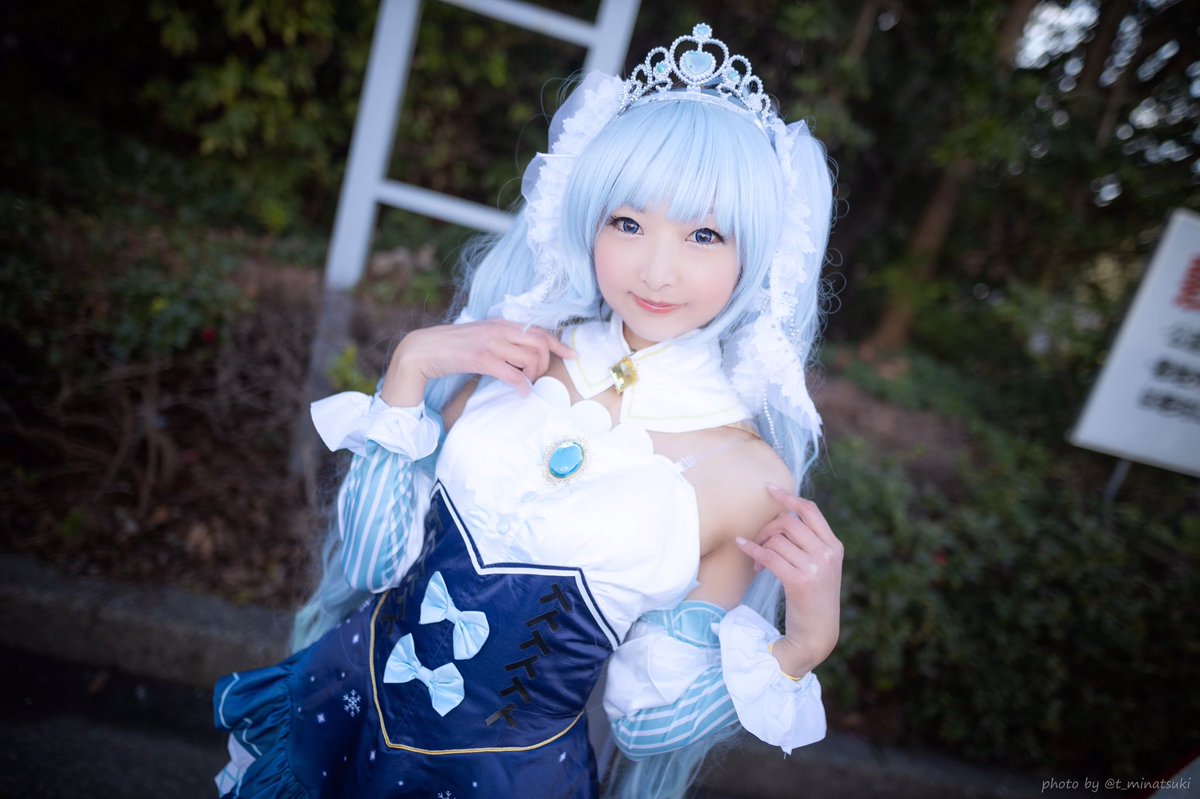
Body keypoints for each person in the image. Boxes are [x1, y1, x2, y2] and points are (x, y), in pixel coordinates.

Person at [213, 23, 843, 799]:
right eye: (628, 222)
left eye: (704, 234)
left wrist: (803, 645)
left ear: (758, 257)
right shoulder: (518, 346)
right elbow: (374, 565)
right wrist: (411, 366)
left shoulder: (746, 475)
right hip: (337, 717)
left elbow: (645, 726)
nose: (656, 269)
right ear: (590, 219)